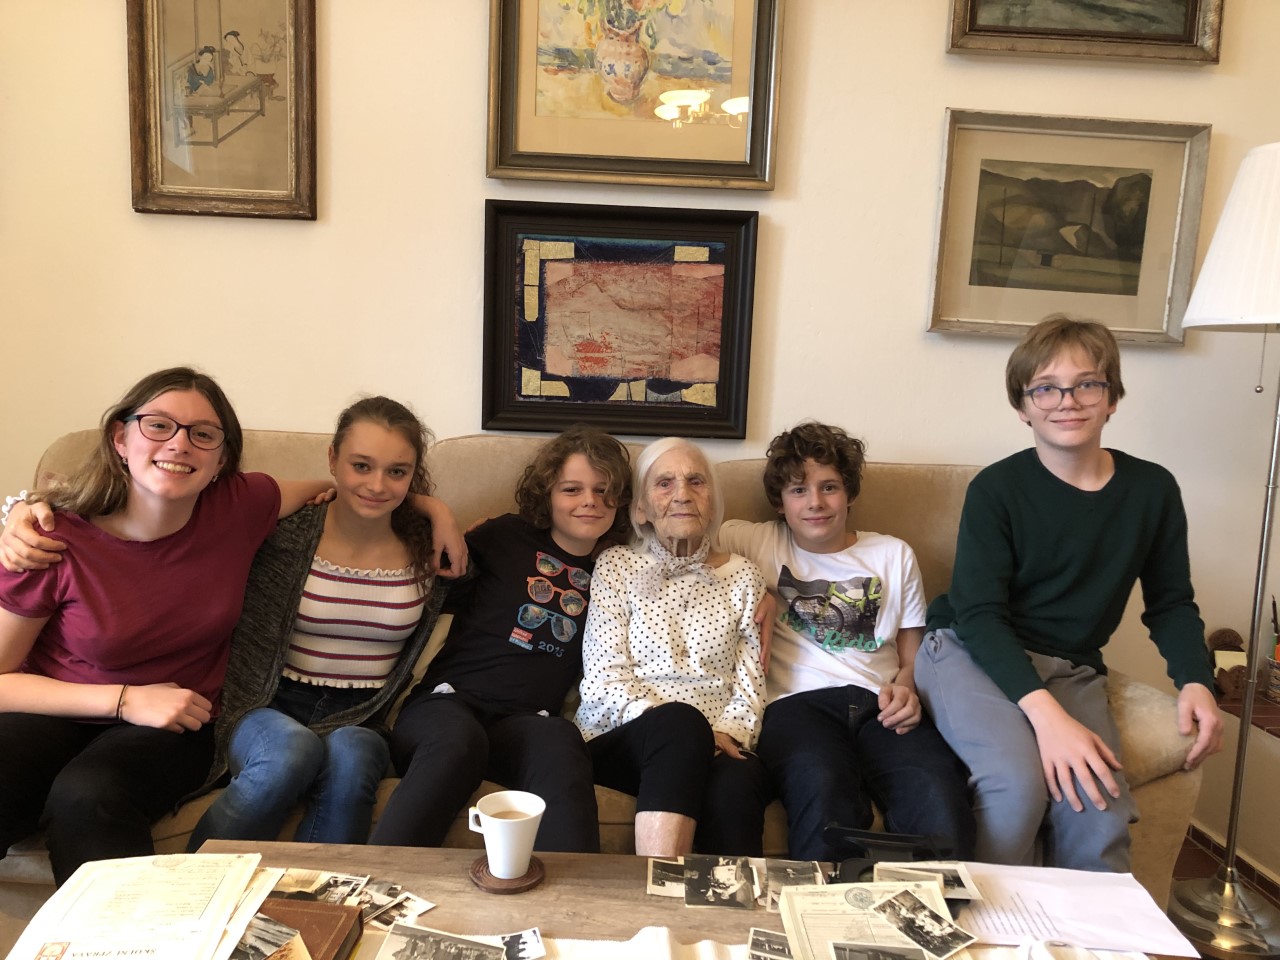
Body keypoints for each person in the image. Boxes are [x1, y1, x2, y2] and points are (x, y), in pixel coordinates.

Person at [914, 314, 1224, 871]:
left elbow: (1172, 602)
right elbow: (980, 615)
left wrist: (1195, 679)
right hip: (968, 651)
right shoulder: (997, 489)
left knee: (1099, 814)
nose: (1068, 401)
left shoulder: (1152, 490)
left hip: (1071, 668)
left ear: (1112, 398)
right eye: (1046, 388)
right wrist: (1048, 720)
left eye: (1087, 384)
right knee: (1017, 786)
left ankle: (1086, 924)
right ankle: (988, 920)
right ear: (1023, 407)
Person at [0, 368, 334, 883]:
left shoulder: (239, 505)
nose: (180, 444)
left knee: (88, 796)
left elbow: (344, 488)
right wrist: (124, 700)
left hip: (176, 723)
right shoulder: (48, 539)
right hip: (58, 707)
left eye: (203, 434)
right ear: (120, 438)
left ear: (222, 458)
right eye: (158, 425)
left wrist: (432, 508)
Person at [186, 396, 455, 849]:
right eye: (361, 466)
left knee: (352, 757)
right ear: (332, 459)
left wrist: (438, 511)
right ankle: (193, 883)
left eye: (397, 472)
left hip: (363, 715)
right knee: (291, 750)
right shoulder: (285, 533)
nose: (377, 485)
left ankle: (328, 891)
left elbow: (503, 561)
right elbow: (195, 508)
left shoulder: (429, 549)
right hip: (268, 704)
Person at [716, 422, 976, 863]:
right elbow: (687, 542)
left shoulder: (892, 554)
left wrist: (908, 688)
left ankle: (937, 900)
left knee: (938, 792)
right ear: (779, 502)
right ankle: (822, 900)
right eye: (798, 490)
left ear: (850, 493)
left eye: (829, 487)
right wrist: (755, 589)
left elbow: (912, 655)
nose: (815, 502)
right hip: (795, 707)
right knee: (822, 789)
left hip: (880, 704)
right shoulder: (752, 540)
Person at [370, 425, 633, 854]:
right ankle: (383, 873)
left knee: (561, 741)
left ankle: (577, 890)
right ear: (547, 494)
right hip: (446, 704)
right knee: (459, 743)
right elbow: (405, 527)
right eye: (572, 489)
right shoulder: (505, 535)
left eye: (604, 491)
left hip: (526, 722)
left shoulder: (618, 570)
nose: (589, 501)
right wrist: (437, 509)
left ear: (621, 501)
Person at [573, 437, 769, 858]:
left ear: (713, 501)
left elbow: (750, 681)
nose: (682, 494)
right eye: (664, 483)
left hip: (717, 740)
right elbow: (604, 675)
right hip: (624, 736)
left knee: (740, 780)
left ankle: (731, 902)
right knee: (679, 724)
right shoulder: (617, 565)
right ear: (641, 507)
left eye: (696, 481)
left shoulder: (744, 576)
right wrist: (681, 731)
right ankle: (656, 889)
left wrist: (726, 733)